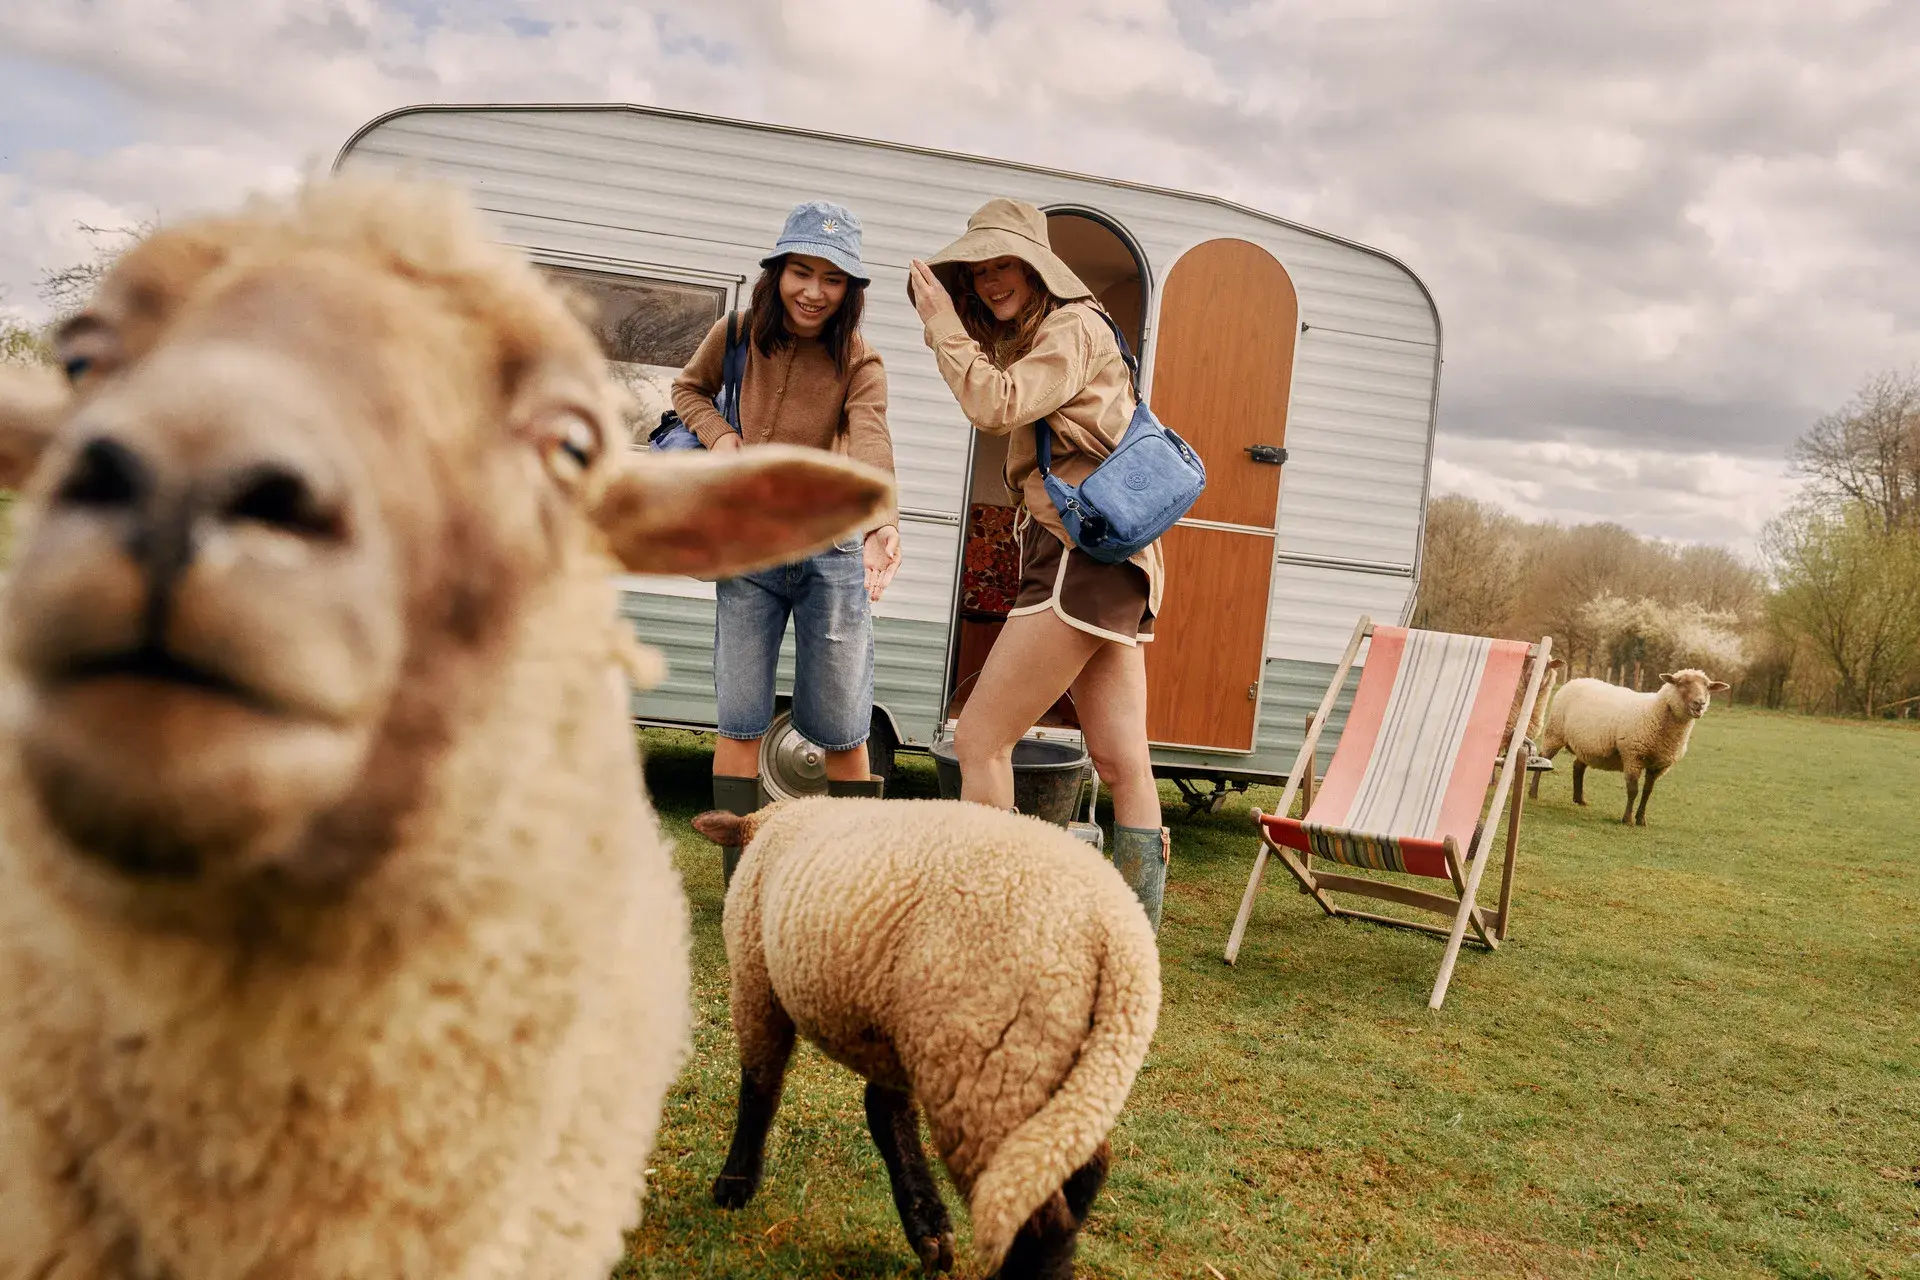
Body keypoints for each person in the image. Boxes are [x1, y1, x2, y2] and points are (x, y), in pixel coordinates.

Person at [907, 197, 1170, 932]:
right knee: (1123, 765)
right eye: (980, 270)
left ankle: (996, 923)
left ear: (1035, 268)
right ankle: (1133, 941)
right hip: (1112, 562)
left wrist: (940, 326)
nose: (991, 281)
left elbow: (996, 405)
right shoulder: (1070, 331)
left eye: (1004, 266)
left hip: (1075, 557)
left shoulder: (1070, 327)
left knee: (980, 740)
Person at [674, 200, 902, 883]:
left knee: (842, 725)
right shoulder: (737, 332)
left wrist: (882, 517)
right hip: (749, 550)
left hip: (829, 553)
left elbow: (871, 436)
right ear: (777, 273)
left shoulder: (860, 358)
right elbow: (690, 391)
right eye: (802, 271)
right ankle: (740, 879)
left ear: (851, 290)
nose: (814, 291)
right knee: (741, 718)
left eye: (833, 279)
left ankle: (847, 879)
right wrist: (721, 437)